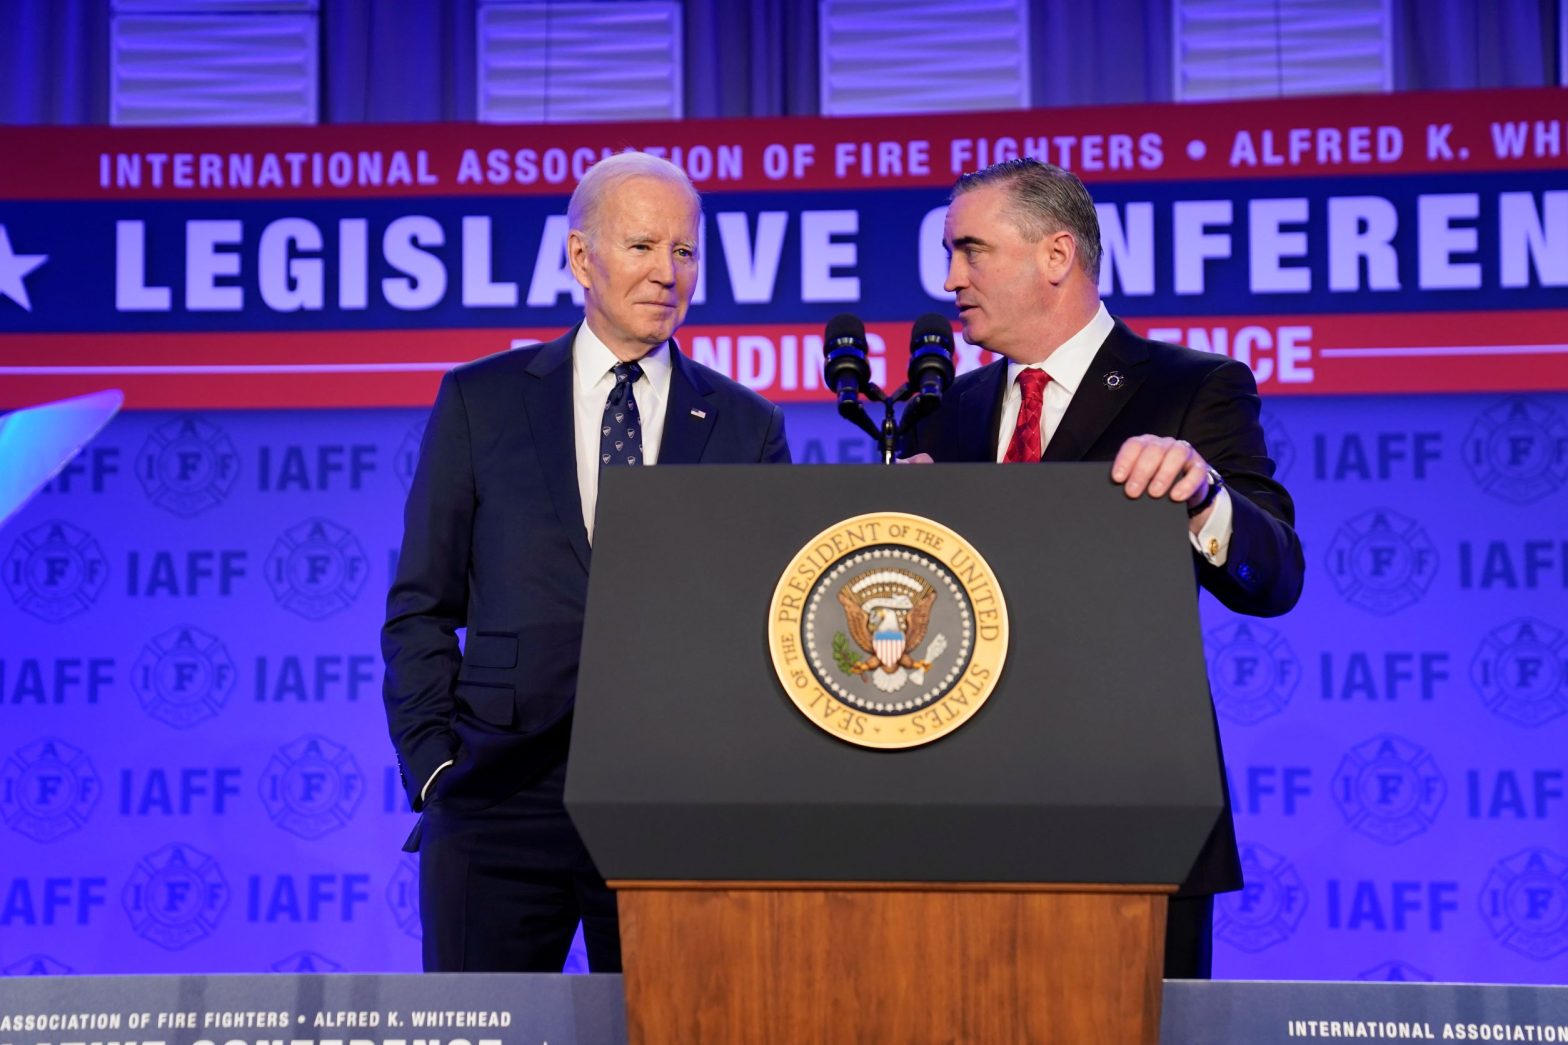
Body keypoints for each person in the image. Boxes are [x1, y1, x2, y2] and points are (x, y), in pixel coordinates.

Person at [381, 152, 790, 972]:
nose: (667, 273)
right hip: (496, 795)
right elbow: (421, 604)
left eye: (684, 252)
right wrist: (434, 768)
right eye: (642, 246)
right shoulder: (481, 400)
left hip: (673, 801)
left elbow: (768, 620)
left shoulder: (746, 426)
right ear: (581, 257)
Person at [903, 157, 1304, 978]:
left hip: (1135, 816)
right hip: (956, 819)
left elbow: (1278, 575)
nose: (949, 278)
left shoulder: (1195, 388)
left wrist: (1202, 494)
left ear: (1056, 255)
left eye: (970, 250)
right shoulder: (944, 412)